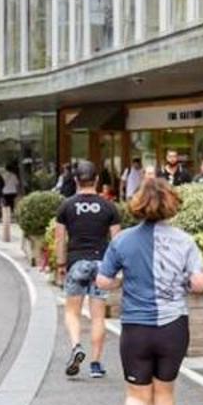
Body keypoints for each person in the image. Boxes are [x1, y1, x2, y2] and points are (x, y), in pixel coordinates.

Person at [96, 176, 203, 405]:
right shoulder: (184, 241)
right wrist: (189, 280)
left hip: (136, 327)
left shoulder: (122, 241)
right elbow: (200, 283)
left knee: (137, 393)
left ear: (137, 204)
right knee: (165, 392)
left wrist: (121, 279)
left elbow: (103, 282)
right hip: (173, 326)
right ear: (171, 204)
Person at [54, 161, 120, 379]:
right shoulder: (109, 207)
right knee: (98, 316)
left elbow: (60, 238)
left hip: (76, 263)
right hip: (102, 265)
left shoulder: (67, 206)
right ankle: (96, 363)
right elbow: (117, 241)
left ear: (75, 181)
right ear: (97, 180)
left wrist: (61, 264)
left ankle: (76, 347)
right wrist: (116, 270)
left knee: (72, 312)